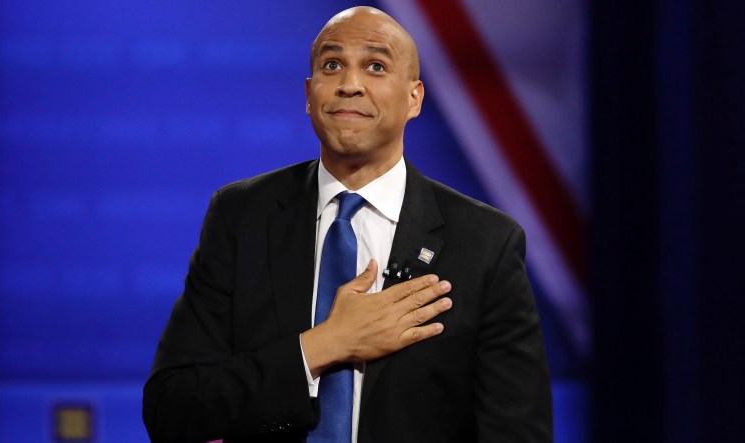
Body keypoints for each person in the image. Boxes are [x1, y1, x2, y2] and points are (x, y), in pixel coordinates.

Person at [143, 6, 552, 443]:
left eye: (375, 66)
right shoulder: (242, 217)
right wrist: (324, 345)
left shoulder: (486, 242)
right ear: (308, 92)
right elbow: (173, 407)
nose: (350, 85)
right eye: (332, 65)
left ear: (414, 98)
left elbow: (516, 432)